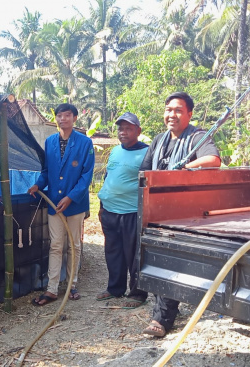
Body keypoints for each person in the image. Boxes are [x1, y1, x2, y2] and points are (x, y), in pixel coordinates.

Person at [139, 92, 221, 337]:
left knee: (168, 260)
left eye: (177, 110)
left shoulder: (197, 137)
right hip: (154, 210)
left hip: (182, 214)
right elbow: (144, 170)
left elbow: (213, 159)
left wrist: (185, 168)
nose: (171, 114)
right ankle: (163, 309)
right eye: (168, 109)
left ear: (189, 114)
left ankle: (162, 319)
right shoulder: (159, 140)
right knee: (153, 259)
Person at [27, 103, 95, 305]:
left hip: (75, 203)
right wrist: (38, 185)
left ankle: (72, 284)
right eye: (59, 115)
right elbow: (46, 171)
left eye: (67, 115)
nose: (63, 119)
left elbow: (86, 176)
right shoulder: (49, 142)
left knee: (73, 245)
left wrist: (71, 197)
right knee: (55, 245)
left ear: (74, 118)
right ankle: (52, 288)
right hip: (55, 203)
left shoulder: (85, 143)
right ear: (56, 118)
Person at [95, 112, 149, 308]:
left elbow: (149, 185)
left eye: (128, 128)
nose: (123, 132)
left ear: (138, 131)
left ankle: (137, 293)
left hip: (131, 212)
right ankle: (115, 288)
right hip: (110, 211)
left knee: (133, 254)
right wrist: (102, 206)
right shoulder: (116, 151)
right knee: (113, 251)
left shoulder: (146, 153)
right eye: (120, 128)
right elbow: (110, 177)